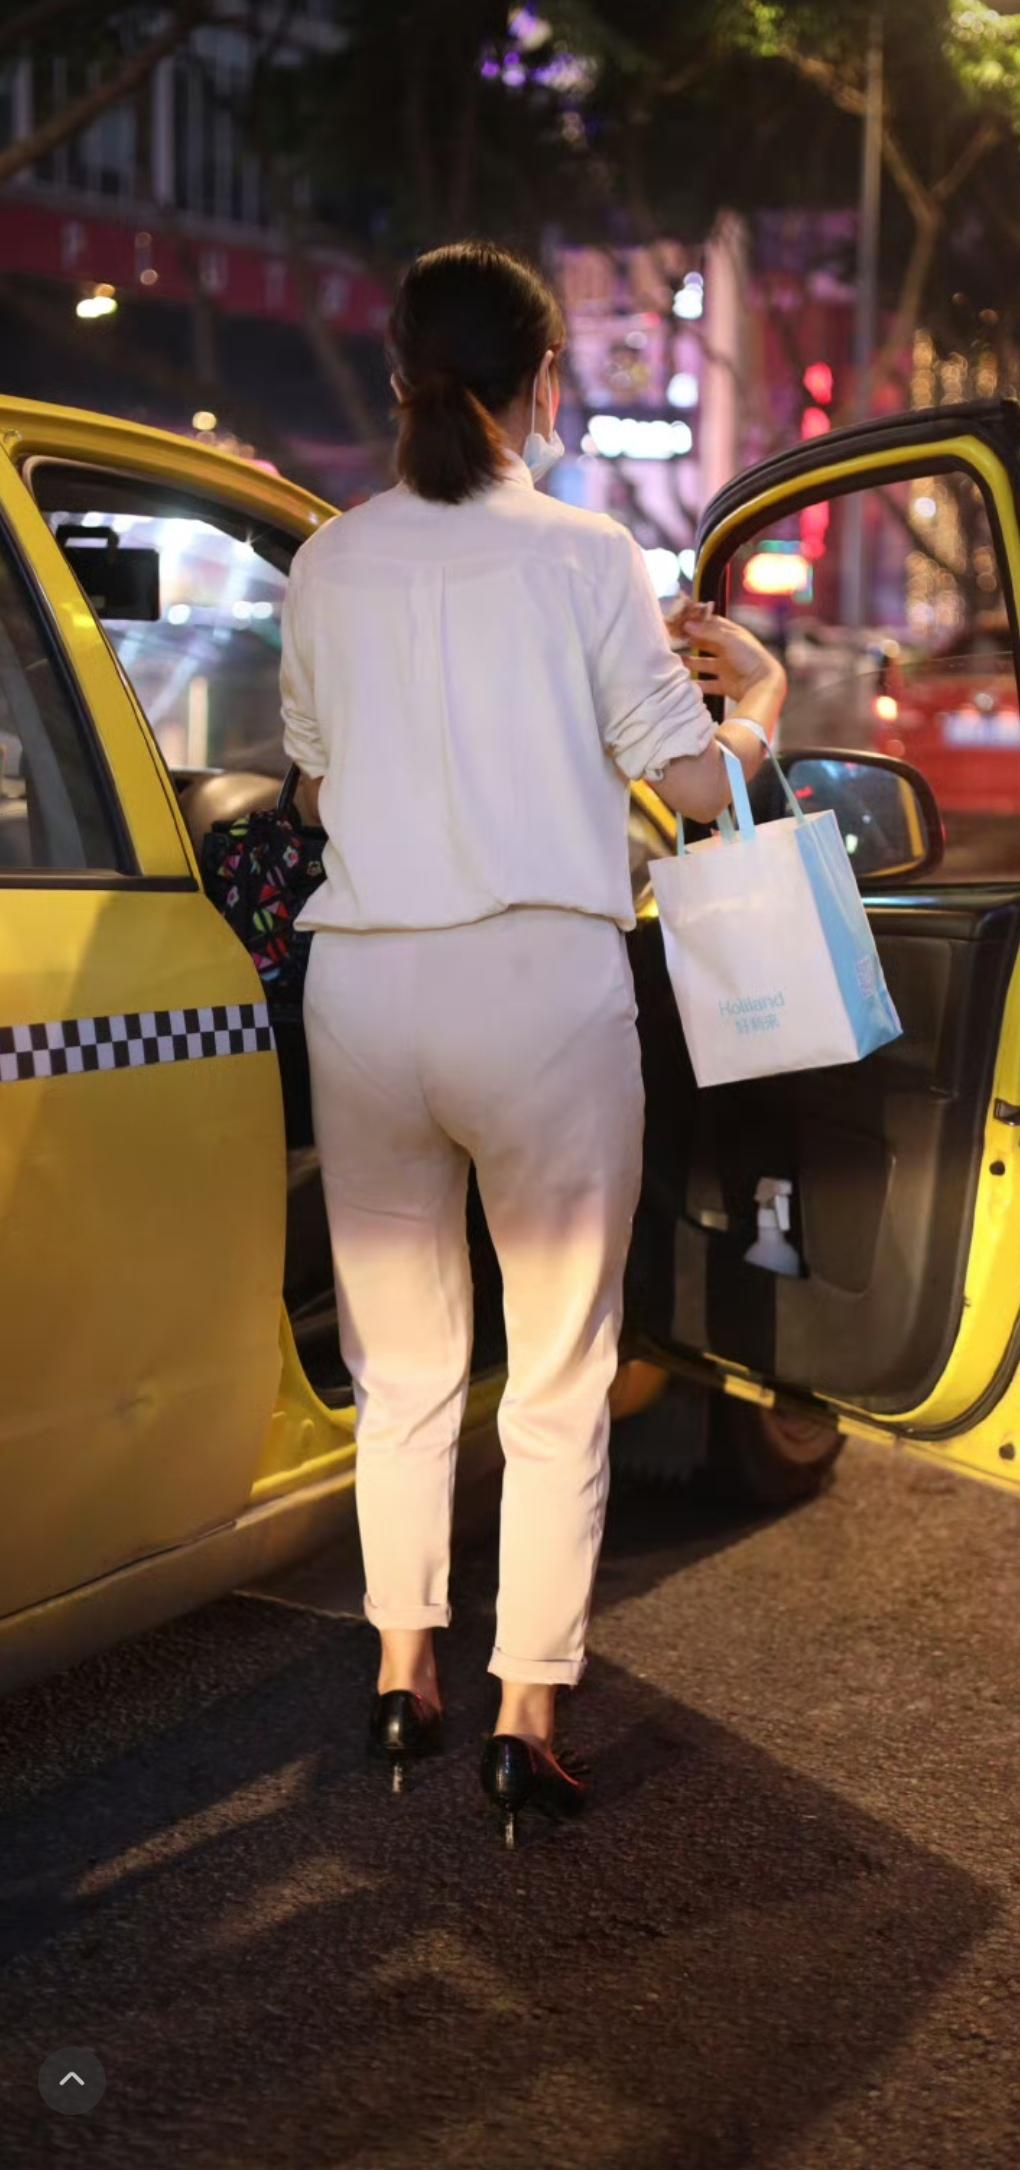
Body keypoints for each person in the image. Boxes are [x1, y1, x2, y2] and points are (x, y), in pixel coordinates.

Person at [280, 241, 786, 1846]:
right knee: (558, 1368)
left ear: (400, 377)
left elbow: (311, 787)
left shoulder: (328, 563)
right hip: (540, 993)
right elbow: (693, 785)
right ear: (542, 380)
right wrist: (761, 700)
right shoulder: (586, 556)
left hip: (365, 994)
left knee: (401, 1365)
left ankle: (400, 1669)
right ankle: (524, 1711)